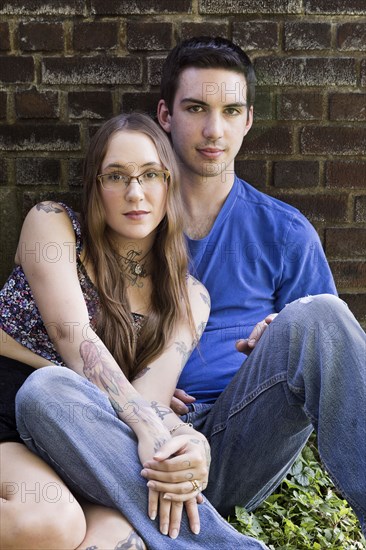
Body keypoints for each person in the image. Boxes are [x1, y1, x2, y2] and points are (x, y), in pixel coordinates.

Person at [15, 36, 366, 545]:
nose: (213, 129)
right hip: (128, 442)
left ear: (248, 120)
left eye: (231, 110)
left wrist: (281, 333)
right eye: (196, 108)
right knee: (47, 394)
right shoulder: (123, 222)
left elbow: (324, 357)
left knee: (323, 317)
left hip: (235, 438)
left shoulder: (286, 233)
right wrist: (161, 427)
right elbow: (77, 344)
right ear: (166, 115)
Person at [1, 112, 265, 549]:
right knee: (50, 524)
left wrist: (188, 440)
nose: (135, 193)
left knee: (124, 539)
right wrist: (145, 423)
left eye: (150, 175)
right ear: (95, 186)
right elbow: (74, 339)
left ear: (169, 183)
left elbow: (149, 400)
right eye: (116, 176)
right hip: (13, 407)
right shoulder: (52, 224)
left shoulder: (189, 298)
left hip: (85, 438)